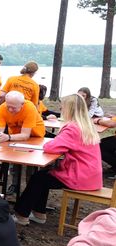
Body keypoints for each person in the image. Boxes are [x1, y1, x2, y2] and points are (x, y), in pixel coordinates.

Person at [13, 94, 102, 225]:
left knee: (38, 179)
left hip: (78, 176)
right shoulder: (86, 126)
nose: (61, 108)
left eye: (63, 106)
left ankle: (21, 215)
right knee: (43, 176)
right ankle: (39, 213)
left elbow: (51, 147)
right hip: (90, 175)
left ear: (69, 109)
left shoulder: (72, 128)